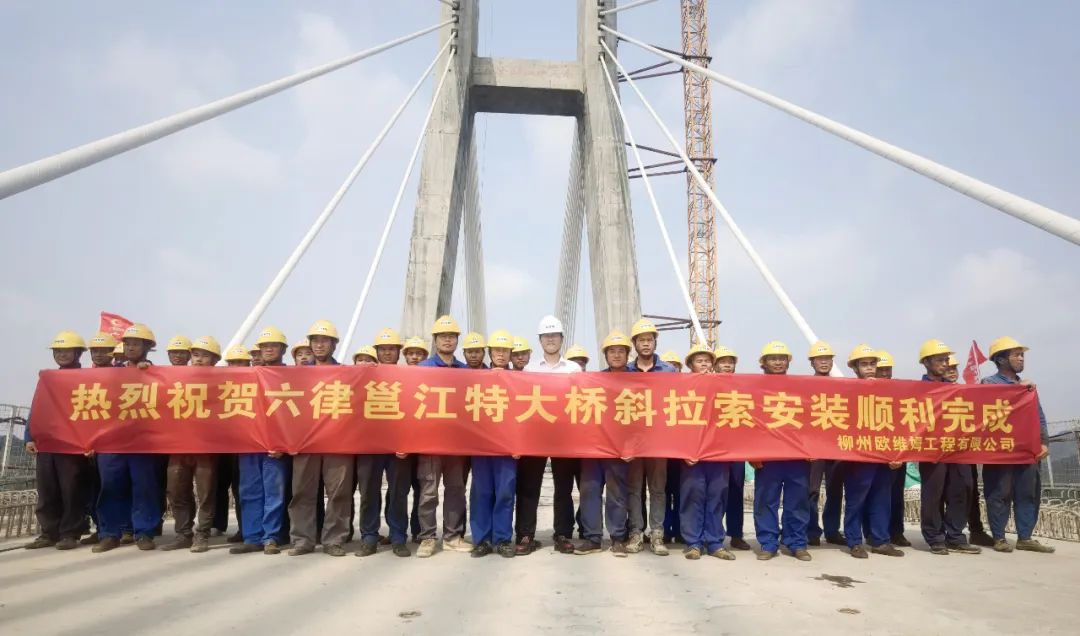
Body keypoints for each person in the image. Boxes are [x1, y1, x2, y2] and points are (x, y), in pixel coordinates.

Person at [93, 323, 164, 553]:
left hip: (143, 443)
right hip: (112, 442)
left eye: (137, 344)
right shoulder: (111, 373)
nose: (132, 347)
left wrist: (147, 371)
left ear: (146, 347)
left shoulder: (156, 374)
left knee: (144, 487)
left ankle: (143, 532)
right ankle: (109, 533)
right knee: (111, 486)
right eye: (129, 343)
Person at [980, 337, 1054, 554]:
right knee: (999, 493)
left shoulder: (1028, 387)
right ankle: (1000, 537)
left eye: (1022, 355)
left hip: (1026, 450)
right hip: (1001, 451)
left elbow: (1038, 416)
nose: (1021, 358)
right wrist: (1017, 390)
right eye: (1016, 355)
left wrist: (1044, 442)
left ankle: (1025, 537)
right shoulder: (988, 384)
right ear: (1001, 359)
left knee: (1028, 493)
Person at [288, 320, 356, 557]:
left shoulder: (346, 374)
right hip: (306, 443)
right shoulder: (297, 375)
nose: (318, 345)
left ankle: (334, 539)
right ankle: (302, 540)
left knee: (339, 493)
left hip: (337, 443)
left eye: (324, 340)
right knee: (302, 493)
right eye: (314, 341)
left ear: (334, 345)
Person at [24, 331, 92, 551]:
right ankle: (48, 532)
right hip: (47, 443)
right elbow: (37, 408)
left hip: (71, 445)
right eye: (58, 351)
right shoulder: (48, 379)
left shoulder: (87, 379)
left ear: (78, 353)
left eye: (66, 351)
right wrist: (29, 437)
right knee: (47, 489)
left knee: (71, 489)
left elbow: (93, 413)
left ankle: (70, 532)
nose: (61, 355)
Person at [523, 315, 582, 555]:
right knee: (529, 487)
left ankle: (563, 534)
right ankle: (525, 534)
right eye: (546, 336)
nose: (550, 339)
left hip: (564, 437)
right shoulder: (529, 369)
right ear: (539, 340)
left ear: (561, 339)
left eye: (554, 335)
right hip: (535, 437)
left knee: (563, 488)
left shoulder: (573, 369)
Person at [415, 315, 472, 558]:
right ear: (435, 340)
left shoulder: (466, 371)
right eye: (443, 336)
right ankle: (427, 538)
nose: (448, 340)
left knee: (456, 490)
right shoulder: (423, 369)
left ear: (457, 341)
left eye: (452, 336)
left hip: (456, 445)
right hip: (430, 443)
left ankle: (452, 536)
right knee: (429, 492)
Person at [839, 345, 904, 559]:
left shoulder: (888, 391)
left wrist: (897, 454)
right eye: (864, 364)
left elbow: (898, 424)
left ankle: (880, 540)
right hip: (858, 456)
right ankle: (854, 541)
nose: (869, 368)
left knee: (881, 499)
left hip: (882, 454)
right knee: (856, 500)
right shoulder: (846, 390)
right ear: (855, 367)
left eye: (872, 364)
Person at [232, 329, 293, 555]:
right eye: (264, 346)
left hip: (275, 447)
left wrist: (284, 444)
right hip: (249, 444)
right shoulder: (247, 375)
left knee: (274, 494)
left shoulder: (293, 377)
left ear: (283, 350)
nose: (268, 349)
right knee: (249, 491)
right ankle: (252, 537)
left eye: (274, 345)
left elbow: (297, 415)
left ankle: (271, 537)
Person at [916, 339, 980, 555]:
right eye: (940, 360)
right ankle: (935, 537)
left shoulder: (955, 390)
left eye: (946, 360)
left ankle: (955, 535)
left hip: (957, 449)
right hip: (931, 450)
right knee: (934, 493)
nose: (945, 364)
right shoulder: (916, 390)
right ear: (926, 362)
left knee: (963, 487)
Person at [355, 328, 412, 558]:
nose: (387, 353)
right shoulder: (363, 377)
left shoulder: (409, 377)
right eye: (383, 349)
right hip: (369, 446)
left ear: (398, 351)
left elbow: (416, 412)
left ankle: (398, 537)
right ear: (376, 351)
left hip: (399, 447)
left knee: (398, 493)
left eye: (391, 349)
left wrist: (407, 442)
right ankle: (369, 537)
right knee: (369, 491)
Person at [574, 331, 632, 557]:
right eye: (612, 351)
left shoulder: (639, 382)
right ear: (605, 355)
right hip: (594, 446)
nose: (616, 355)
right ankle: (592, 538)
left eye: (621, 351)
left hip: (619, 450)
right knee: (589, 490)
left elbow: (643, 420)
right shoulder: (595, 381)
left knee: (617, 494)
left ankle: (618, 538)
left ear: (627, 354)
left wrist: (632, 447)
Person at [162, 336, 222, 553]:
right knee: (176, 491)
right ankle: (183, 533)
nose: (198, 359)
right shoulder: (177, 379)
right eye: (195, 355)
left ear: (214, 360)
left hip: (206, 448)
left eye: (204, 356)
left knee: (205, 493)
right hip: (178, 447)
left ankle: (202, 534)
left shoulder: (223, 381)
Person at [752, 341, 812, 561]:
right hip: (768, 458)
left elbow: (811, 420)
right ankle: (768, 543)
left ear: (788, 361)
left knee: (797, 503)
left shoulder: (800, 386)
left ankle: (797, 543)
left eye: (782, 358)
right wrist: (753, 453)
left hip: (796, 456)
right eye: (773, 358)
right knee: (766, 502)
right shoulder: (754, 388)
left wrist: (813, 448)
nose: (777, 362)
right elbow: (750, 423)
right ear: (764, 363)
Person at [679, 343, 736, 561]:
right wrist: (684, 450)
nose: (703, 364)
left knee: (717, 497)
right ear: (691, 365)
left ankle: (714, 542)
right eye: (698, 360)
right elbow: (674, 423)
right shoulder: (682, 387)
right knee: (693, 497)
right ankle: (693, 543)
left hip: (718, 453)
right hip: (692, 455)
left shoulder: (724, 387)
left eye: (706, 361)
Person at [625, 318, 676, 556]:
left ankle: (657, 534)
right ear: (634, 344)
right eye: (641, 340)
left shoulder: (669, 371)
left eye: (649, 340)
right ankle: (636, 533)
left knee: (658, 490)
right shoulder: (625, 372)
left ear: (655, 342)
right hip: (634, 442)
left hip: (659, 441)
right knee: (634, 490)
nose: (646, 344)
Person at [469, 331, 518, 558]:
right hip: (481, 446)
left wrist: (521, 445)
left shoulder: (520, 380)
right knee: (482, 492)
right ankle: (482, 539)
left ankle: (502, 538)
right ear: (490, 352)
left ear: (510, 354)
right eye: (497, 350)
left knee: (505, 493)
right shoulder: (477, 377)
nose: (500, 354)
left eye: (504, 351)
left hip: (507, 449)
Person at [805, 341, 844, 548]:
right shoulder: (804, 386)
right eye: (820, 359)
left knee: (835, 489)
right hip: (815, 446)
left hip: (836, 445)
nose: (824, 362)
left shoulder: (842, 386)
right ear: (812, 362)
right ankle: (811, 530)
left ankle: (831, 530)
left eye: (828, 359)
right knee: (811, 490)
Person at [713, 345, 751, 551]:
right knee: (717, 494)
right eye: (723, 362)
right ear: (715, 365)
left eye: (730, 362)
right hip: (716, 449)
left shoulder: (743, 386)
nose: (727, 366)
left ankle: (736, 534)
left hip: (737, 449)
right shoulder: (707, 386)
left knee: (736, 491)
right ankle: (715, 535)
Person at [875, 349, 911, 547]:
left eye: (888, 370)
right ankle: (876, 534)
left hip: (897, 451)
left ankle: (897, 532)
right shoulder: (864, 391)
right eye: (881, 370)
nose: (885, 374)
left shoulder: (900, 391)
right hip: (874, 452)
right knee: (878, 496)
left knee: (896, 495)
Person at [402, 336, 429, 543]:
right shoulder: (395, 377)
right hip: (401, 448)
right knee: (398, 492)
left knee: (423, 492)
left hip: (424, 447)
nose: (414, 357)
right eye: (411, 353)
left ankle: (419, 532)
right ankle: (397, 533)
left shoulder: (432, 378)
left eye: (419, 353)